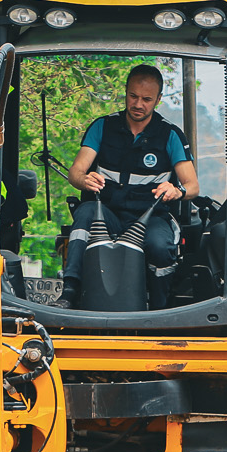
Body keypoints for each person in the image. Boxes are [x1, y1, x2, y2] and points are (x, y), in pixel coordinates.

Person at [63, 63, 199, 308]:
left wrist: (176, 190)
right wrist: (83, 179)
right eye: (133, 96)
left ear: (158, 100)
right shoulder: (102, 126)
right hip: (107, 212)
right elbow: (75, 173)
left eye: (146, 99)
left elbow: (193, 186)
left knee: (159, 245)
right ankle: (69, 293)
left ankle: (159, 309)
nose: (138, 104)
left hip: (151, 216)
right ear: (125, 92)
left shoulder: (170, 135)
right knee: (83, 215)